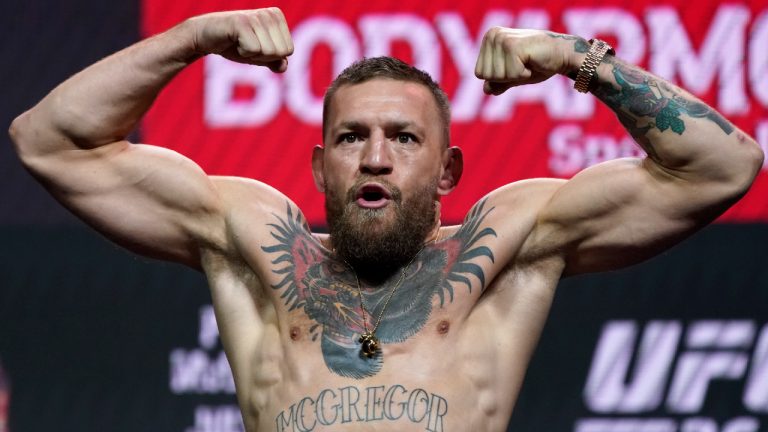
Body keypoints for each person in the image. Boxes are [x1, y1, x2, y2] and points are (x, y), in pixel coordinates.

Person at [8, 7, 763, 432]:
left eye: (403, 139)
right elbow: (47, 140)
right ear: (318, 167)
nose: (375, 158)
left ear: (447, 172)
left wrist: (574, 56)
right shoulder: (253, 241)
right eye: (351, 137)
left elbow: (723, 165)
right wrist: (191, 38)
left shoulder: (505, 244)